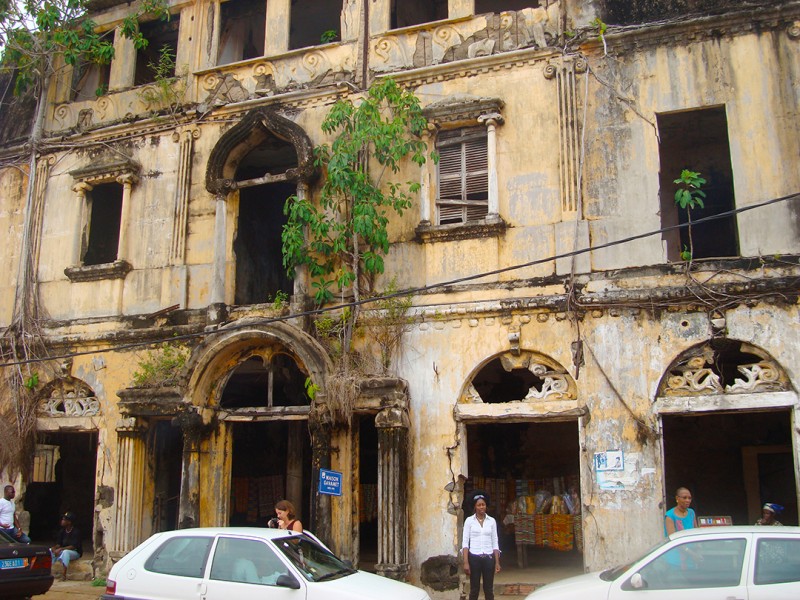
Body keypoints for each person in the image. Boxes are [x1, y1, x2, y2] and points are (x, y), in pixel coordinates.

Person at [462, 494, 500, 600]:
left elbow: (495, 541)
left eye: (483, 504)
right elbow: (465, 543)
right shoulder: (469, 521)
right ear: (475, 507)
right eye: (479, 505)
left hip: (488, 558)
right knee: (474, 589)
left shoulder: (491, 521)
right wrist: (466, 562)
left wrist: (497, 562)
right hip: (474, 558)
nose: (481, 507)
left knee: (489, 589)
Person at [52, 512, 82, 581]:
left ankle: (64, 575)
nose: (62, 521)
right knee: (50, 551)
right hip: (63, 550)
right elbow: (59, 544)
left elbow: (73, 546)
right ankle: (48, 572)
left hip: (75, 552)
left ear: (69, 522)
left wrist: (60, 549)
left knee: (65, 552)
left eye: (64, 520)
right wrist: (54, 548)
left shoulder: (76, 532)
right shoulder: (62, 531)